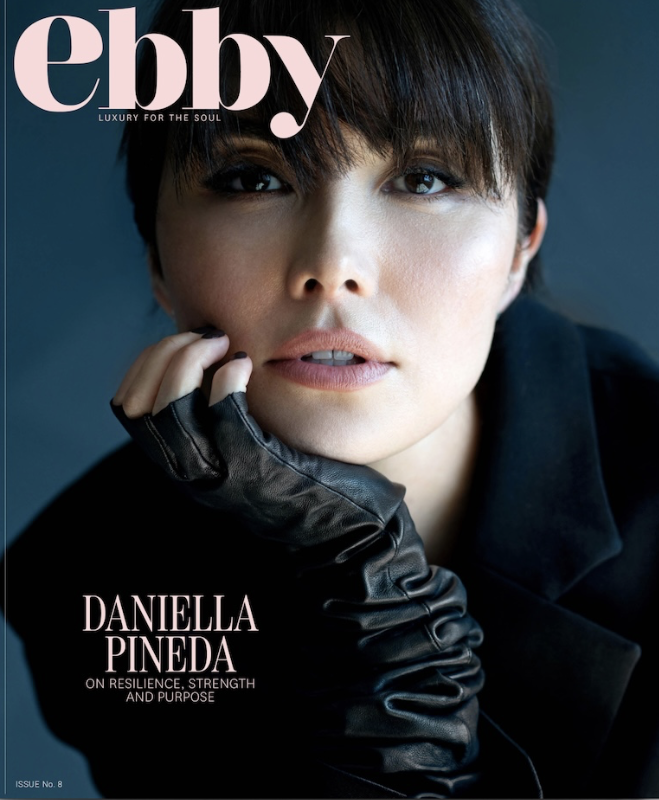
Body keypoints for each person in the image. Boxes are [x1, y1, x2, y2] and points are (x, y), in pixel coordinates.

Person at [4, 0, 658, 798]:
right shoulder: (91, 573)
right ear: (156, 254)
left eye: (423, 179)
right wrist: (366, 583)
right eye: (252, 178)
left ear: (520, 248)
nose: (332, 263)